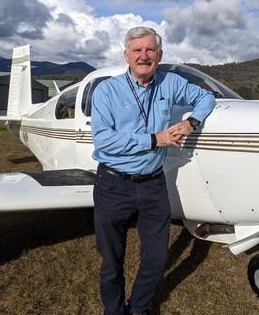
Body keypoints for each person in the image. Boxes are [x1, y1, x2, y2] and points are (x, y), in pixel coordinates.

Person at [90, 27, 216, 315]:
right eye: (137, 51)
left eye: (150, 50)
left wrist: (190, 123)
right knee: (111, 259)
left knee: (156, 258)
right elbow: (104, 139)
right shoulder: (107, 91)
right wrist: (154, 139)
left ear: (159, 55)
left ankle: (140, 307)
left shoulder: (170, 82)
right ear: (127, 56)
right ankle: (114, 310)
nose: (144, 56)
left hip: (153, 185)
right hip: (113, 185)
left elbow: (206, 99)